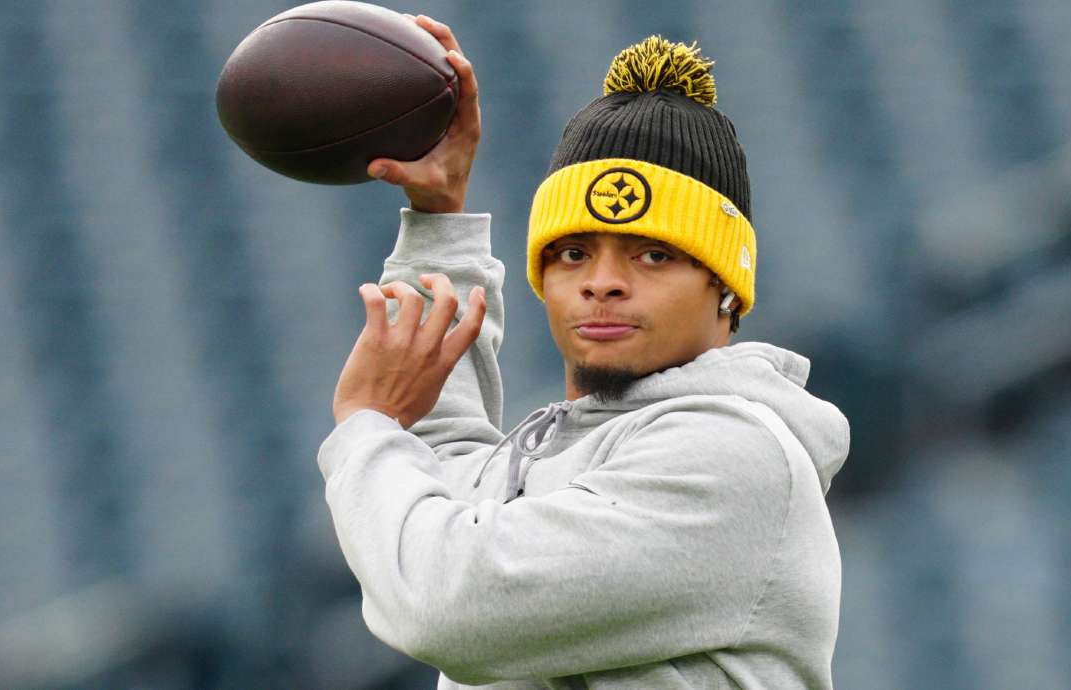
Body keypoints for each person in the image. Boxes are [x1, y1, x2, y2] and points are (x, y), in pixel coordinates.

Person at [319, 15, 850, 690]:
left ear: (726, 288)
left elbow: (451, 605)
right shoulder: (566, 451)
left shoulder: (732, 455)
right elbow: (441, 465)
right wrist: (438, 221)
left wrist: (366, 427)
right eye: (573, 253)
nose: (602, 281)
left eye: (653, 255)